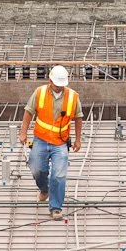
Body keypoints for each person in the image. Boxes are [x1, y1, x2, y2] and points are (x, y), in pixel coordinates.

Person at [19, 66, 83, 220]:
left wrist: (78, 139)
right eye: (57, 84)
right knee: (36, 169)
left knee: (59, 175)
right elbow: (28, 112)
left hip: (60, 142)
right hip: (40, 139)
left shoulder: (73, 96)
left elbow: (78, 117)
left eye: (62, 85)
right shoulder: (40, 92)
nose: (59, 87)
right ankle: (44, 189)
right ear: (50, 81)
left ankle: (55, 207)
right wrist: (23, 132)